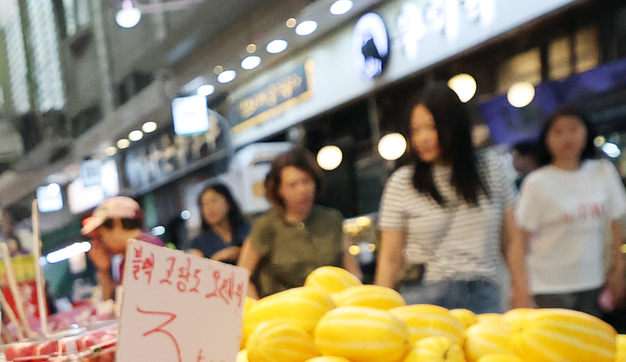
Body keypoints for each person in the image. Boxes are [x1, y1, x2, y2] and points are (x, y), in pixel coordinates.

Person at [374, 84, 516, 314]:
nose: (423, 138)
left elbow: (511, 240)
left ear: (454, 125)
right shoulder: (402, 182)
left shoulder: (491, 169)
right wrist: (379, 310)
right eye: (415, 130)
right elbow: (390, 257)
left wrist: (521, 291)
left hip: (483, 293)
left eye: (431, 127)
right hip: (425, 297)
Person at [510, 108, 626, 314]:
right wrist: (520, 288)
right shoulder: (536, 182)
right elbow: (520, 240)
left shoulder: (603, 172)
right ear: (546, 139)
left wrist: (619, 271)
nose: (567, 138)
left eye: (574, 129)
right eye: (558, 132)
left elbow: (616, 225)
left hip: (593, 281)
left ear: (586, 132)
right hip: (548, 286)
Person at [236, 149, 357, 298]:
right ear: (279, 190)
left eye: (306, 181)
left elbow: (353, 273)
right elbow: (242, 277)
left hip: (332, 306)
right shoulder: (266, 225)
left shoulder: (332, 219)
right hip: (283, 310)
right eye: (292, 185)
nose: (302, 190)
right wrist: (257, 309)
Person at [81, 195, 160, 303]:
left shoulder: (145, 250)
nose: (98, 243)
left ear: (117, 224)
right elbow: (112, 303)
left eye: (100, 236)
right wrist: (104, 271)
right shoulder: (126, 258)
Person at [189, 181, 251, 264]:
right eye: (204, 204)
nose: (209, 208)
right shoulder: (198, 243)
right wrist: (219, 258)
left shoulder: (248, 229)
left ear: (228, 202)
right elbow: (199, 272)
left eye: (214, 201)